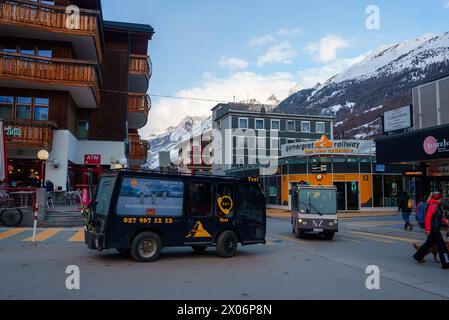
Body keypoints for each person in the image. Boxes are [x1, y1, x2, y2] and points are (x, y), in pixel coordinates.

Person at [414, 191, 449, 270]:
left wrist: (445, 220)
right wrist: (428, 229)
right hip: (434, 229)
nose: (442, 199)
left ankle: (418, 256)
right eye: (441, 198)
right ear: (439, 198)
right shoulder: (433, 205)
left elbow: (438, 217)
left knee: (428, 244)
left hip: (435, 228)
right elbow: (428, 218)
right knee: (442, 246)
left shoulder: (437, 205)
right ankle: (446, 263)